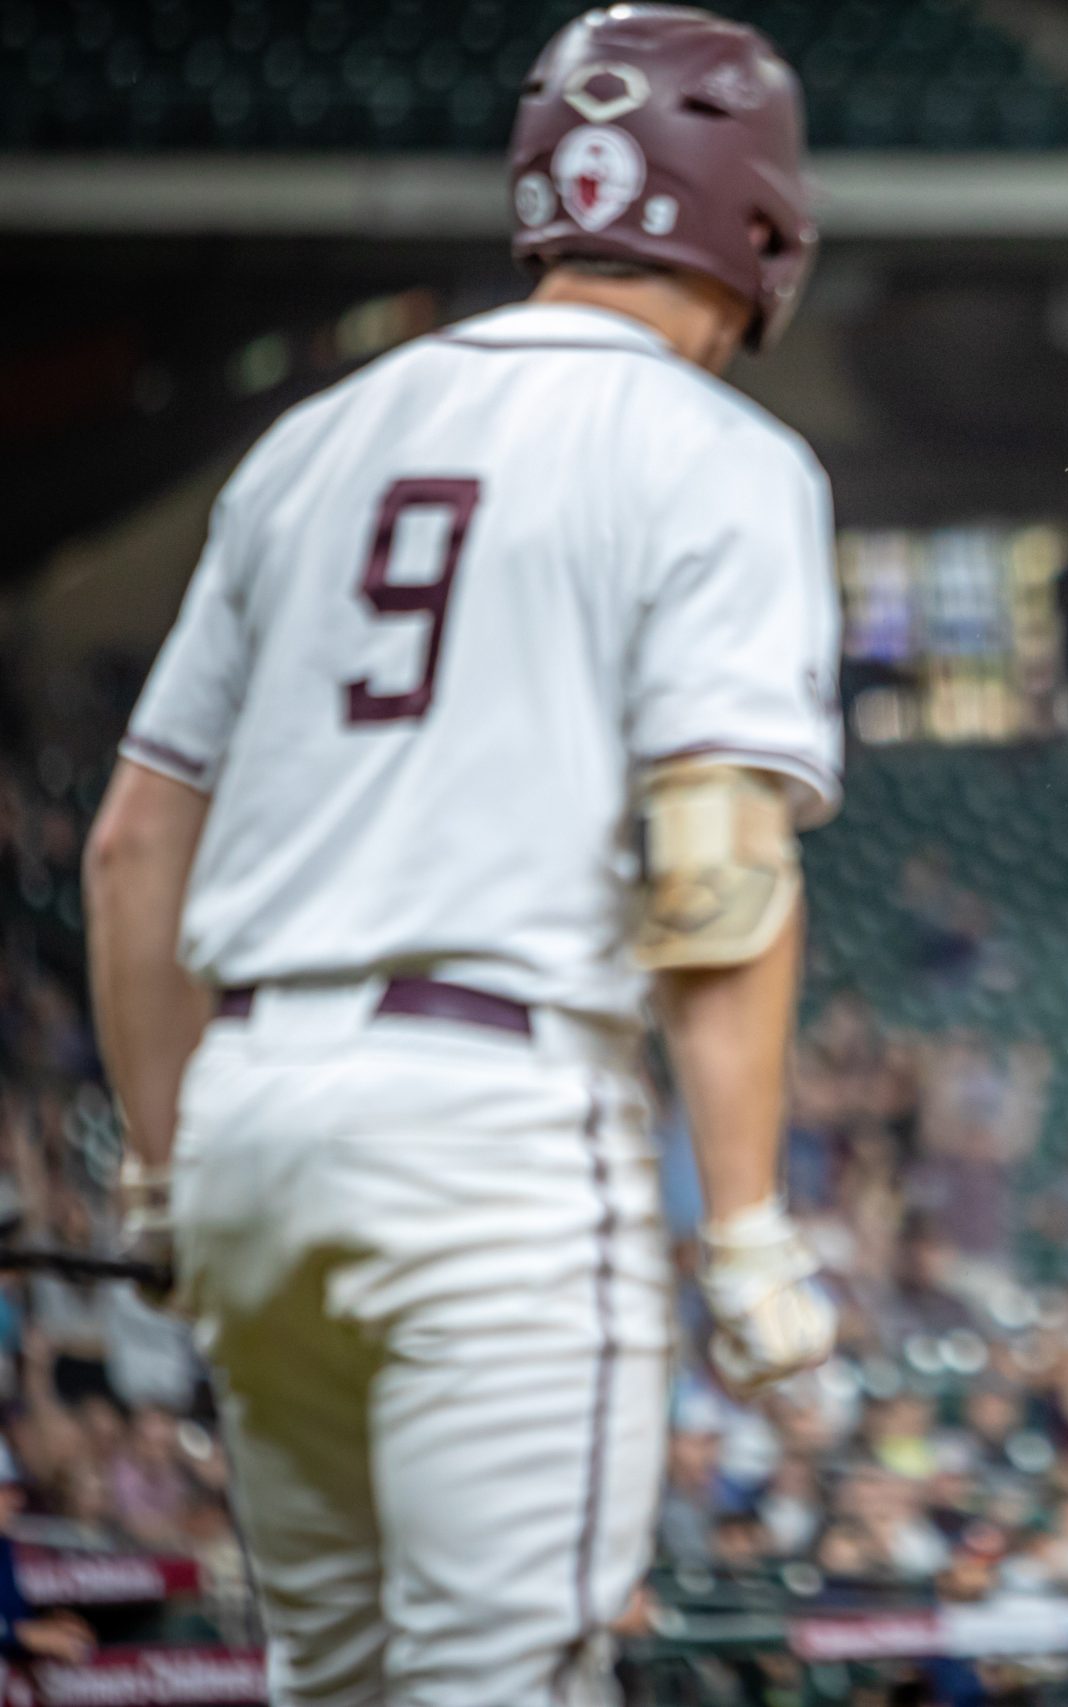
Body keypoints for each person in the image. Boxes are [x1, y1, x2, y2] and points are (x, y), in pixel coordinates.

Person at [82, 7, 842, 1700]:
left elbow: (136, 845)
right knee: (499, 1679)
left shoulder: (308, 443)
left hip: (254, 1124)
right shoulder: (714, 452)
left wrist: (156, 1173)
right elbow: (713, 866)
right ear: (763, 227)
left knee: (331, 1676)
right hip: (489, 1135)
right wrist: (746, 1226)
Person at [0, 1443, 96, 1668]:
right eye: (5, 1491)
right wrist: (23, 1635)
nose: (17, 1501)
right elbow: (17, 1631)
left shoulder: (3, 1544)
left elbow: (13, 1617)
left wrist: (48, 1625)